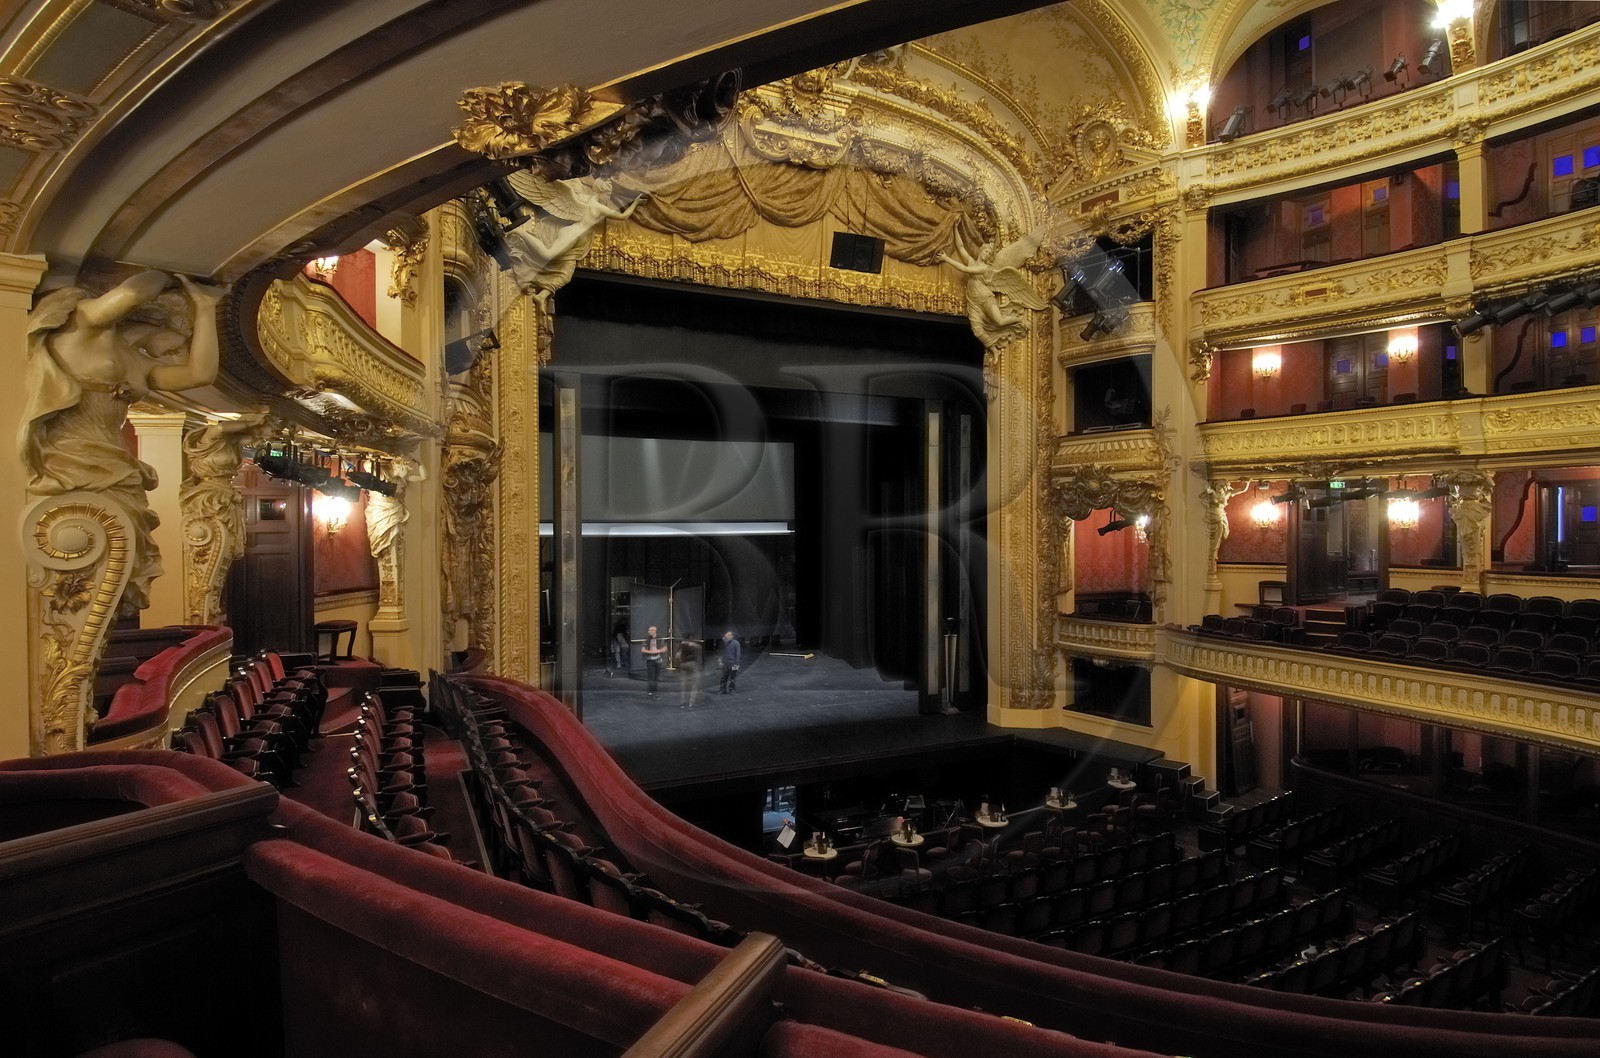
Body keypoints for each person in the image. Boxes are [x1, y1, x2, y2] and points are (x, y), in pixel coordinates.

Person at [23, 270, 224, 615]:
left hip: (114, 459)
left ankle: (95, 620)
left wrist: (205, 307)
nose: (180, 348)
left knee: (122, 542)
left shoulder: (136, 362)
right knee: (85, 538)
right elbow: (132, 293)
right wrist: (168, 269)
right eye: (180, 338)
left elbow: (200, 373)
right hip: (69, 451)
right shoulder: (80, 324)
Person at [677, 637, 702, 710]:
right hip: (692, 664)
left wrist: (680, 664)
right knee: (694, 684)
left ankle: (682, 702)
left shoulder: (680, 646)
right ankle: (691, 704)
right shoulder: (692, 644)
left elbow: (678, 656)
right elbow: (699, 647)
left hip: (683, 664)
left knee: (684, 685)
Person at [641, 625, 665, 698]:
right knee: (651, 676)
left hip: (657, 659)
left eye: (651, 630)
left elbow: (664, 648)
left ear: (655, 631)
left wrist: (658, 651)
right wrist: (650, 652)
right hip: (650, 659)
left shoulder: (659, 638)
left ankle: (654, 690)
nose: (649, 632)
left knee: (656, 676)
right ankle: (651, 691)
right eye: (649, 630)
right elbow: (642, 649)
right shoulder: (646, 638)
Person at [718, 629, 741, 695]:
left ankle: (732, 690)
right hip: (726, 663)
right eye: (726, 635)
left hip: (733, 663)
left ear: (732, 636)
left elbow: (738, 654)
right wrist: (721, 662)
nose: (727, 636)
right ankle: (722, 690)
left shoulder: (736, 643)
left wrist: (736, 663)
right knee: (724, 677)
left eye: (728, 635)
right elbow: (723, 652)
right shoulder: (726, 643)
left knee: (732, 678)